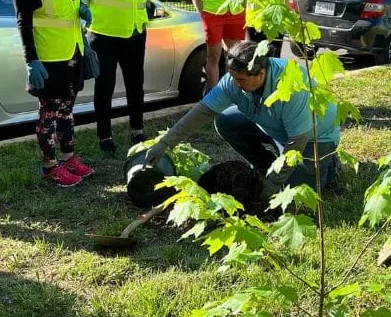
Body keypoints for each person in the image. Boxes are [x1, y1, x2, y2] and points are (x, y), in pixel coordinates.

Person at [143, 41, 341, 205]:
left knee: (294, 192)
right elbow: (203, 111)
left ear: (261, 73)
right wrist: (165, 143)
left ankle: (331, 164)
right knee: (226, 120)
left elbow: (298, 141)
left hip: (313, 138)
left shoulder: (292, 86)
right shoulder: (234, 79)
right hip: (276, 127)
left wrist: (272, 184)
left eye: (242, 79)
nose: (236, 84)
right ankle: (266, 165)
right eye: (233, 77)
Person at [13, 0, 94, 186]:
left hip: (72, 49)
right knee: (49, 111)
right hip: (48, 57)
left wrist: (81, 7)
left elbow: (69, 0)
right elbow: (24, 22)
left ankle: (69, 157)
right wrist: (31, 61)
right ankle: (50, 165)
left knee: (68, 108)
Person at [78, 0, 151, 153]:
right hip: (104, 35)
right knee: (105, 86)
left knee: (135, 83)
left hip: (135, 32)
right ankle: (104, 135)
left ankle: (137, 130)